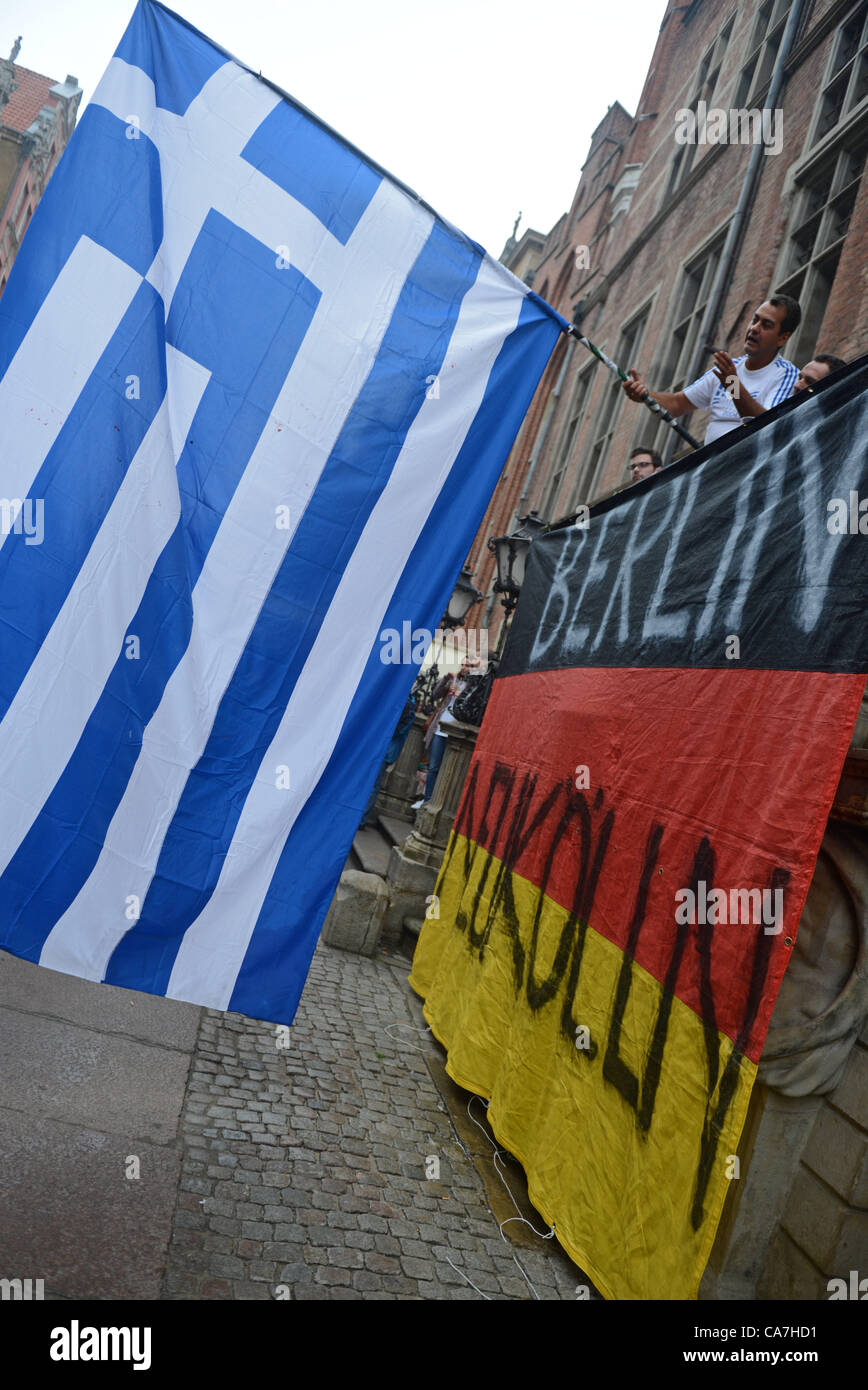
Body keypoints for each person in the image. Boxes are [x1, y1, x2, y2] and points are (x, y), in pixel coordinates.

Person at [622, 296, 801, 445]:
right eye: (755, 320)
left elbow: (767, 426)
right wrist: (645, 395)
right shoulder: (729, 368)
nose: (754, 328)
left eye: (766, 325)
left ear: (783, 338)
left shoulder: (788, 375)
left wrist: (732, 385)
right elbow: (677, 404)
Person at [412, 658, 480, 809]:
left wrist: (460, 695)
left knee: (448, 770)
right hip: (440, 729)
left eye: (468, 665)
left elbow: (473, 708)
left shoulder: (473, 686)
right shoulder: (453, 680)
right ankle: (427, 800)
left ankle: (439, 803)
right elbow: (435, 695)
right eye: (462, 664)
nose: (464, 668)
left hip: (456, 731)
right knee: (434, 767)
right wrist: (445, 680)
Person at [359, 692, 416, 829]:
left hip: (384, 749)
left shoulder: (406, 703)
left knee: (372, 784)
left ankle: (361, 819)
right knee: (371, 784)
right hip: (383, 748)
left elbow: (397, 729)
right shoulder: (405, 702)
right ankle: (360, 818)